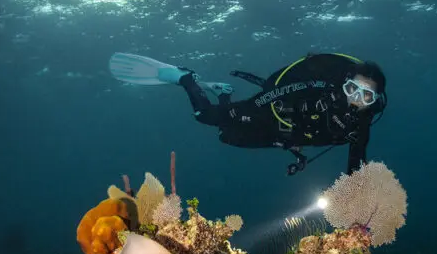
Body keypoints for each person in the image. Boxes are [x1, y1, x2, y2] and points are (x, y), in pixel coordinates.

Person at [110, 52, 388, 175]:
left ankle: (223, 90)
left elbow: (356, 166)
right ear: (344, 84)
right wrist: (237, 110)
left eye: (366, 96)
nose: (356, 100)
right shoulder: (317, 89)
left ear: (374, 101)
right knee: (206, 117)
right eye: (353, 89)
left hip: (284, 136)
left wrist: (357, 217)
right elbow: (273, 95)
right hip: (269, 110)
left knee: (227, 137)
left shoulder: (360, 124)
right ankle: (184, 78)